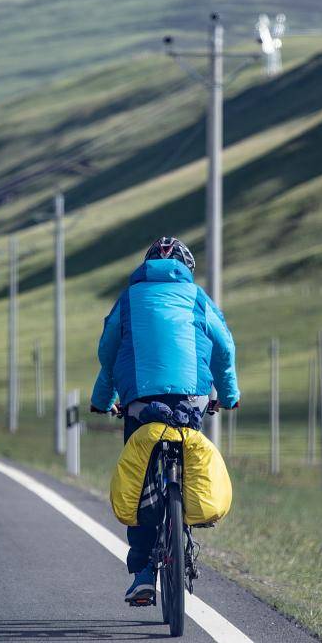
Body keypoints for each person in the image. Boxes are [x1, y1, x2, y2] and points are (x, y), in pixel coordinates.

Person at [90, 236, 240, 605]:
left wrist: (103, 400)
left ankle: (142, 570)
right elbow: (224, 348)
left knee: (142, 478)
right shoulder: (198, 298)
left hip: (141, 402)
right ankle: (182, 522)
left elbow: (107, 355)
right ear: (186, 269)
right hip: (191, 399)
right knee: (186, 453)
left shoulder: (128, 299)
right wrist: (229, 395)